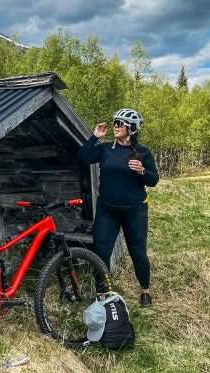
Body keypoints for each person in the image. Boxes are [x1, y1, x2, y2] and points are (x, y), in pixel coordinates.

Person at [77, 108, 159, 307]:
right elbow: (83, 158)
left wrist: (142, 171)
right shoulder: (106, 149)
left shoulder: (143, 152)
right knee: (101, 251)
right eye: (115, 123)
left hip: (135, 210)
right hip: (108, 209)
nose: (115, 127)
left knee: (137, 251)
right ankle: (102, 293)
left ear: (131, 128)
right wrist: (94, 136)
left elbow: (154, 180)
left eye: (119, 124)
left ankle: (145, 292)